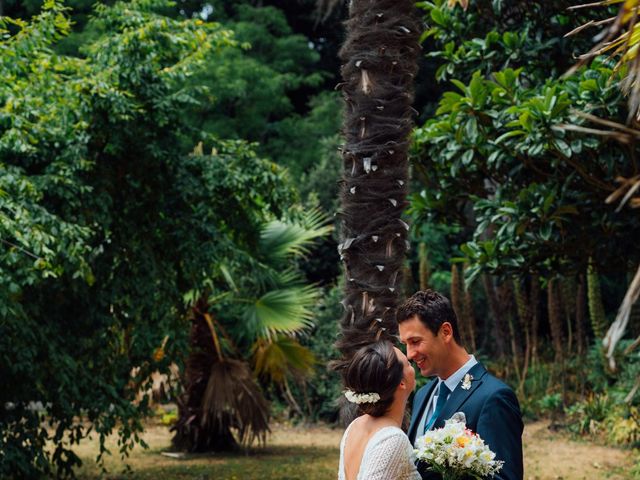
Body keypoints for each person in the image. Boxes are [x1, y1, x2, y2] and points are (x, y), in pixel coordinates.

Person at [397, 290, 524, 480]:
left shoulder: (494, 397)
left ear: (446, 332)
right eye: (405, 344)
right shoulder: (422, 395)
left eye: (415, 341)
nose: (409, 354)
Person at [337, 340, 421, 480]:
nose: (411, 363)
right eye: (408, 363)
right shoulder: (392, 438)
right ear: (401, 382)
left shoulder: (356, 425)